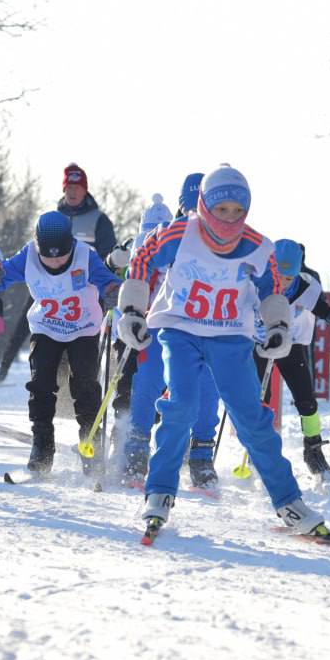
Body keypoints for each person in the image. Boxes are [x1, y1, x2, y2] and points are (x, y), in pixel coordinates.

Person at [120, 164, 330, 541]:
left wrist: (279, 327)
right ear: (204, 206)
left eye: (238, 211)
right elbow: (140, 262)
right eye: (221, 210)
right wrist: (134, 311)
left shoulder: (258, 246)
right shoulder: (175, 234)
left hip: (230, 334)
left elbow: (272, 292)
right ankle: (159, 492)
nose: (229, 220)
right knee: (181, 405)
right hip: (180, 328)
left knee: (252, 417)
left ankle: (289, 501)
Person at [0, 210, 119, 475]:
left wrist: (113, 292)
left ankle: (91, 446)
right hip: (46, 327)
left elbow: (108, 281)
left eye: (61, 257)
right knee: (41, 384)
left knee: (85, 386)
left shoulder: (85, 256)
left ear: (71, 245)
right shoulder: (28, 255)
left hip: (84, 329)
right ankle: (42, 447)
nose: (54, 262)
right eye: (48, 257)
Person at [122, 190, 222, 488]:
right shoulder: (167, 235)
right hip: (161, 320)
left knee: (207, 387)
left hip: (206, 326)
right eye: (191, 209)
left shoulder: (226, 240)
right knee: (149, 379)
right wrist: (132, 311)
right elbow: (138, 268)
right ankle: (136, 449)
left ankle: (201, 454)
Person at [0, 163, 116, 384]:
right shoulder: (53, 216)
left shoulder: (99, 220)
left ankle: (80, 386)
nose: (72, 192)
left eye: (77, 187)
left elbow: (108, 259)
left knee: (80, 341)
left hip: (81, 287)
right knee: (30, 326)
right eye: (68, 187)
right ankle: (4, 370)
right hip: (46, 282)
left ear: (85, 190)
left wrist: (106, 287)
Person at [256, 239, 330, 479]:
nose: (284, 283)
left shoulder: (305, 287)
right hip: (261, 343)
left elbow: (320, 308)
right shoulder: (258, 283)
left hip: (293, 344)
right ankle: (261, 449)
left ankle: (313, 449)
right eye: (279, 275)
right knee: (259, 400)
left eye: (289, 277)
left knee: (306, 399)